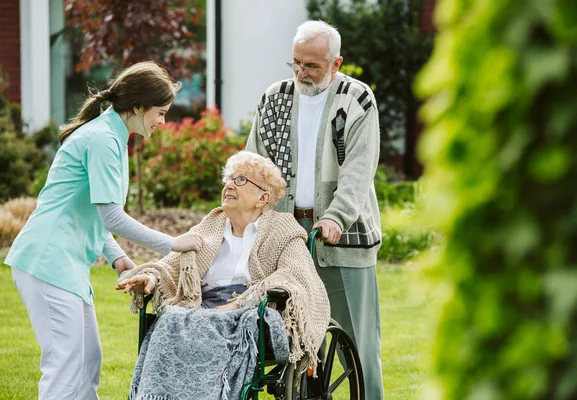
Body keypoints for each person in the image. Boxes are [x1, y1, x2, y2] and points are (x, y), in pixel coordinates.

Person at [4, 61, 204, 400]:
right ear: (139, 107)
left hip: (64, 265)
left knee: (88, 360)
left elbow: (95, 212)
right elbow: (112, 216)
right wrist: (173, 243)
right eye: (161, 112)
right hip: (47, 261)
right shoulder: (102, 139)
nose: (162, 121)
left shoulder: (111, 136)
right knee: (66, 367)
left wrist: (118, 257)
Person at [116, 151, 330, 399]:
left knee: (203, 324)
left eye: (240, 180)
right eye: (228, 179)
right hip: (203, 307)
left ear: (263, 197)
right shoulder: (213, 223)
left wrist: (240, 302)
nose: (229, 185)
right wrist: (152, 277)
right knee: (170, 318)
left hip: (251, 309)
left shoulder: (281, 228)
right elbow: (176, 262)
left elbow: (295, 273)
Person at [246, 20, 384, 399]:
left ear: (336, 63)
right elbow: (253, 163)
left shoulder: (356, 99)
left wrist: (335, 216)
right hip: (287, 240)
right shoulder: (274, 98)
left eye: (312, 65)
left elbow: (358, 170)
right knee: (298, 345)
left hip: (345, 242)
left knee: (359, 346)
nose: (302, 73)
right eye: (296, 63)